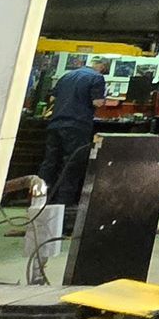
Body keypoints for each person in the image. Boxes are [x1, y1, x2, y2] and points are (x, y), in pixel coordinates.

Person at [38, 55, 106, 210]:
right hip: (77, 125)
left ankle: (41, 201)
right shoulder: (97, 78)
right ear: (101, 66)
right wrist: (102, 100)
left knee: (49, 162)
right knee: (72, 163)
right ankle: (63, 205)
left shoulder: (67, 75)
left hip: (55, 124)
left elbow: (52, 99)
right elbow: (97, 102)